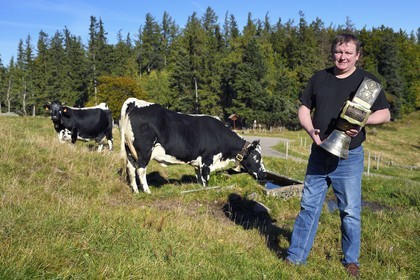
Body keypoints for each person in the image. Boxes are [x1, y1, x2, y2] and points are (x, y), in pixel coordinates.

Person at [285, 34, 391, 278]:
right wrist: (310, 129)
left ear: (357, 56)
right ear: (333, 53)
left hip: (350, 157)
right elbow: (303, 107)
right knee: (308, 206)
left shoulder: (368, 82)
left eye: (348, 53)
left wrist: (364, 121)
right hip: (319, 153)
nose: (342, 57)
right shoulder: (319, 78)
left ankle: (351, 261)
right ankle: (295, 257)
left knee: (350, 211)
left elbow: (384, 114)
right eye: (338, 52)